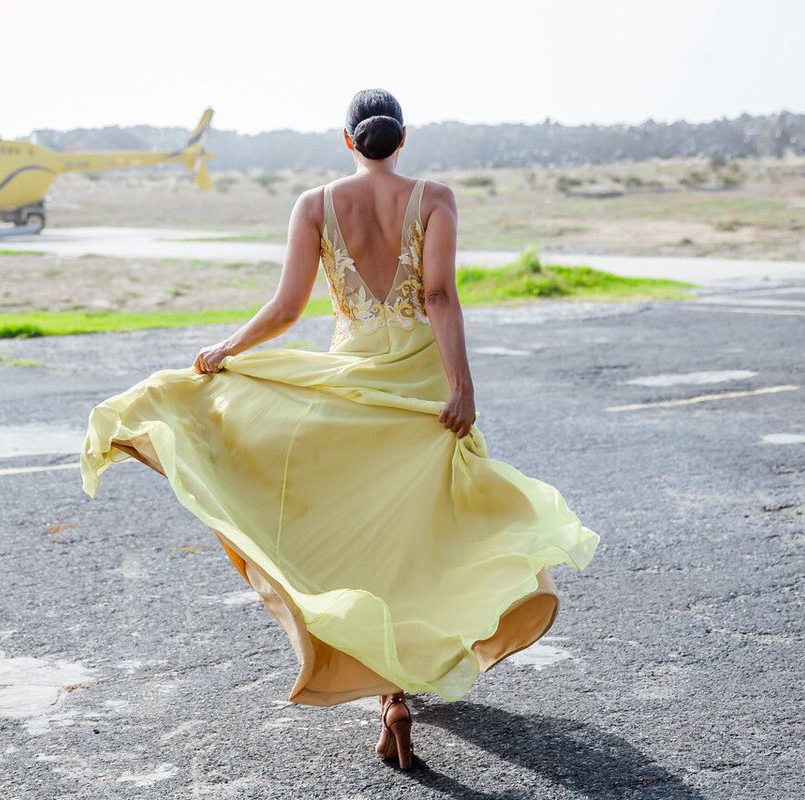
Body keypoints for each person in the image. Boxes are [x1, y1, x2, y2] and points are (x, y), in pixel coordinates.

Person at [80, 89, 600, 772]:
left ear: (347, 141)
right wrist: (462, 388)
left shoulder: (314, 205)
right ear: (402, 139)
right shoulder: (436, 197)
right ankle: (403, 683)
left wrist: (227, 351)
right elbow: (439, 296)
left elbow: (287, 306)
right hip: (418, 390)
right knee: (422, 538)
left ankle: (391, 698)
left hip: (351, 387)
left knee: (359, 546)